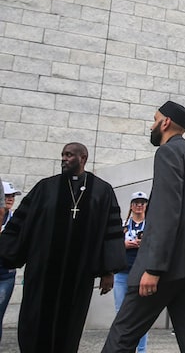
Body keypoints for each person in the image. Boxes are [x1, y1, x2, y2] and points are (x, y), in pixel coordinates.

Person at [102, 101, 185, 353]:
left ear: (165, 122)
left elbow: (166, 212)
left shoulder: (167, 153)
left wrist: (153, 267)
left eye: (154, 119)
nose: (151, 125)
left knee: (121, 336)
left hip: (166, 267)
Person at [0, 142, 125, 353]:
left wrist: (108, 271)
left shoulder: (102, 191)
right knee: (34, 324)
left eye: (69, 155)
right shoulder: (45, 187)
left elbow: (109, 232)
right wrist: (7, 253)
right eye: (63, 155)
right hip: (42, 272)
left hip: (78, 276)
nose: (64, 159)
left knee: (69, 328)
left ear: (83, 158)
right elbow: (23, 223)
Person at [113, 191, 150, 353]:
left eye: (142, 202)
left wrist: (145, 244)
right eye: (136, 202)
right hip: (122, 273)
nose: (139, 205)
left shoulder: (150, 225)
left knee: (141, 315)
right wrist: (124, 244)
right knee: (121, 314)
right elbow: (112, 245)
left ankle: (141, 350)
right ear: (131, 205)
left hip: (141, 274)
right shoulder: (122, 224)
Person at [0, 181, 22, 344]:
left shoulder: (15, 220)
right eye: (7, 195)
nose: (10, 198)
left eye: (12, 195)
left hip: (6, 273)